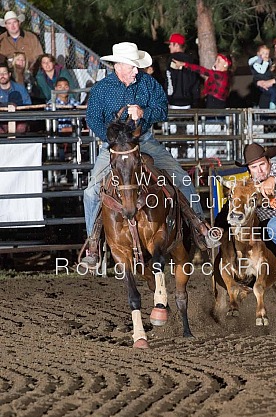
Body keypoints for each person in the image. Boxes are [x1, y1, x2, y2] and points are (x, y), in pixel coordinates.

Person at [81, 42, 216, 269]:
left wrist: (144, 112)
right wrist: (112, 137)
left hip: (144, 142)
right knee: (91, 191)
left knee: (181, 178)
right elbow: (92, 118)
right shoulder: (101, 89)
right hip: (114, 147)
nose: (137, 70)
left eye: (137, 67)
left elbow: (162, 109)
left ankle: (200, 226)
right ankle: (93, 244)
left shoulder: (148, 83)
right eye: (133, 66)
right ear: (119, 66)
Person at [164, 33, 200, 109]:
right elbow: (195, 82)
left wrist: (168, 97)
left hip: (173, 102)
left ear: (176, 45)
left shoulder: (171, 59)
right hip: (188, 102)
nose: (169, 46)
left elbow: (169, 79)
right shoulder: (191, 61)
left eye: (171, 44)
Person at [0, 62, 31, 133]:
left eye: (4, 73)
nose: (2, 76)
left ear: (9, 74)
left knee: (21, 127)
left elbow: (28, 106)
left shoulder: (20, 88)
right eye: (0, 73)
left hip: (19, 118)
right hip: (1, 120)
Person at [249, 44, 276, 109]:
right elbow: (262, 71)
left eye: (267, 53)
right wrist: (265, 62)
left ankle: (273, 103)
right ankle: (272, 106)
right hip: (262, 86)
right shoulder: (256, 63)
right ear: (258, 54)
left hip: (270, 84)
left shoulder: (269, 62)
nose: (265, 55)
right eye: (263, 53)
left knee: (274, 92)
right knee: (273, 92)